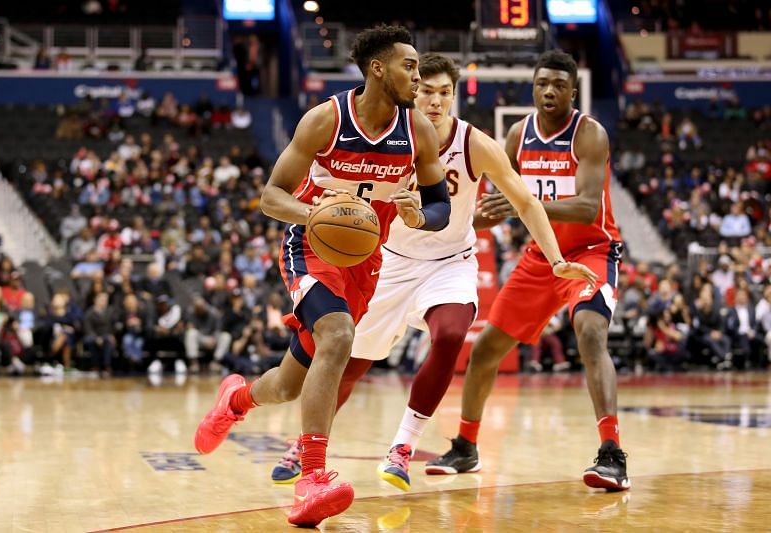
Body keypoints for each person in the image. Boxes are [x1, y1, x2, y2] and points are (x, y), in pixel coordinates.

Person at [268, 54, 596, 492]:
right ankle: (304, 445)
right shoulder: (389, 137)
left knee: (448, 336)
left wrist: (556, 259)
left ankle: (403, 446)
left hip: (449, 263)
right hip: (388, 261)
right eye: (427, 91)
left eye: (445, 93)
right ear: (412, 90)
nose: (436, 101)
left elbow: (526, 200)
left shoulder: (473, 143)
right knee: (348, 362)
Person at [193, 25, 453, 527]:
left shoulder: (417, 129)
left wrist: (420, 216)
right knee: (338, 335)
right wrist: (314, 215)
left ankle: (236, 399)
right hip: (311, 245)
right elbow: (271, 196)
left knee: (290, 384)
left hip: (366, 261)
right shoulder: (325, 120)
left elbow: (439, 203)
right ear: (378, 69)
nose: (418, 78)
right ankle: (312, 479)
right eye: (410, 66)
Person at [427, 50, 630, 492]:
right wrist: (452, 219)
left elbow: (587, 206)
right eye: (542, 84)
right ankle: (466, 446)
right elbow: (495, 206)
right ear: (533, 89)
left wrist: (524, 206)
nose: (549, 91)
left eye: (558, 84)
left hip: (592, 251)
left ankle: (612, 453)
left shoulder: (589, 135)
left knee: (591, 333)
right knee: (483, 351)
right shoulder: (519, 135)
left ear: (573, 92)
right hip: (543, 255)